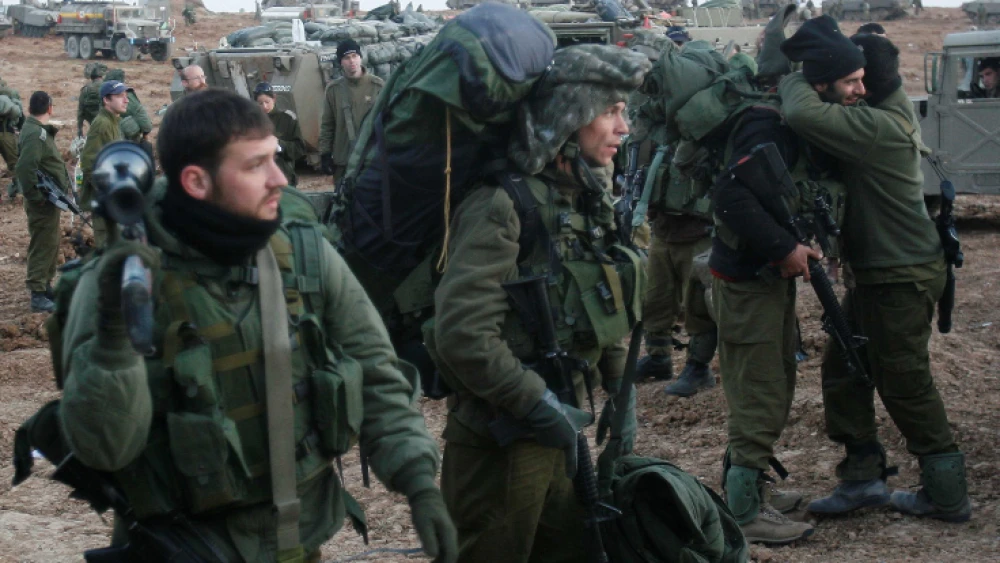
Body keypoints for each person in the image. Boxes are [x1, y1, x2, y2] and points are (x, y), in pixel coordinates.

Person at [57, 89, 458, 563]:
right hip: (179, 548)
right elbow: (104, 447)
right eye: (254, 166)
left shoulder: (301, 251)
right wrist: (113, 337)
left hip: (297, 542)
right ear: (197, 181)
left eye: (276, 159)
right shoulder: (123, 281)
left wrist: (417, 483)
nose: (279, 180)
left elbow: (374, 368)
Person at [431, 44, 649, 562]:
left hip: (560, 427)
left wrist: (622, 397)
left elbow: (603, 303)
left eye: (625, 112)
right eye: (610, 112)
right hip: (501, 440)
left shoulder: (582, 195)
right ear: (568, 118)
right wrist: (535, 401)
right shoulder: (502, 206)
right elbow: (462, 333)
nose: (625, 129)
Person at [780, 22, 972, 523]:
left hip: (900, 275)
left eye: (858, 78)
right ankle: (862, 477)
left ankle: (946, 491)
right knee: (844, 369)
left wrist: (801, 73)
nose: (855, 89)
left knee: (904, 380)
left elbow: (800, 110)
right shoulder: (882, 111)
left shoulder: (878, 127)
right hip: (881, 273)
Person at [711, 16, 869, 547]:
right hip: (745, 282)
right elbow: (730, 197)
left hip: (764, 280)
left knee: (772, 380)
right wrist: (784, 248)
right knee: (759, 392)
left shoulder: (793, 125)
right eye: (851, 81)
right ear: (821, 79)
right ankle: (742, 509)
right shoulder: (767, 124)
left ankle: (749, 487)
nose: (859, 90)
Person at [14, 91, 69, 313]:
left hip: (48, 199)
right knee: (42, 245)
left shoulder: (37, 131)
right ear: (50, 108)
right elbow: (24, 168)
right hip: (41, 202)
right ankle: (38, 293)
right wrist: (36, 197)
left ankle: (45, 286)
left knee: (51, 243)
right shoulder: (35, 134)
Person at [318, 40, 383, 180]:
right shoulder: (333, 90)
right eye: (346, 58)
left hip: (370, 159)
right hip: (344, 160)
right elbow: (327, 125)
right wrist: (325, 153)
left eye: (354, 56)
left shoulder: (377, 86)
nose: (351, 61)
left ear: (360, 57)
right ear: (341, 62)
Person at [79, 80, 128, 247]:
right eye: (120, 96)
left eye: (126, 95)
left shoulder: (113, 122)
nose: (126, 100)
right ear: (106, 100)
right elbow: (88, 163)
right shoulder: (102, 124)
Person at [254, 82, 306, 186]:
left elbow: (300, 149)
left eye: (267, 102)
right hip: (261, 179)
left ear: (274, 98)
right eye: (260, 103)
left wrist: (280, 144)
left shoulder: (287, 119)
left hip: (284, 176)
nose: (264, 106)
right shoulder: (252, 122)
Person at [105, 69, 154, 161]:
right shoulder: (129, 97)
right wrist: (145, 135)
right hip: (127, 145)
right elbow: (146, 125)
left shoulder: (104, 96)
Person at [0, 76, 23, 200]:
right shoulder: (10, 93)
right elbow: (20, 113)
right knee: (15, 164)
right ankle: (19, 192)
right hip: (6, 132)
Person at [77, 63, 105, 137]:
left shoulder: (85, 89)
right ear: (101, 76)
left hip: (92, 124)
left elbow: (80, 112)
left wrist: (79, 129)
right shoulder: (107, 87)